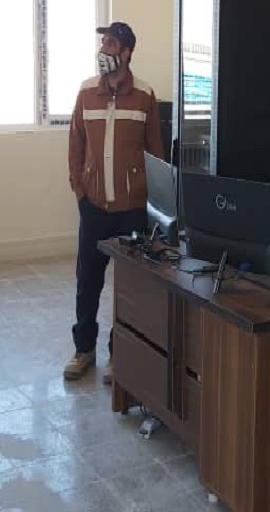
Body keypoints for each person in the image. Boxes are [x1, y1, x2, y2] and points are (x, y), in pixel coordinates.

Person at [65, 21, 163, 383]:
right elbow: (75, 145)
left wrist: (149, 200)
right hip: (93, 207)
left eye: (110, 44)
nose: (103, 49)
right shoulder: (86, 92)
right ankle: (84, 349)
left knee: (128, 286)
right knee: (87, 281)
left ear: (126, 53)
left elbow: (155, 155)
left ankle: (118, 353)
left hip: (131, 211)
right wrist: (79, 191)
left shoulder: (144, 96)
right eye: (103, 42)